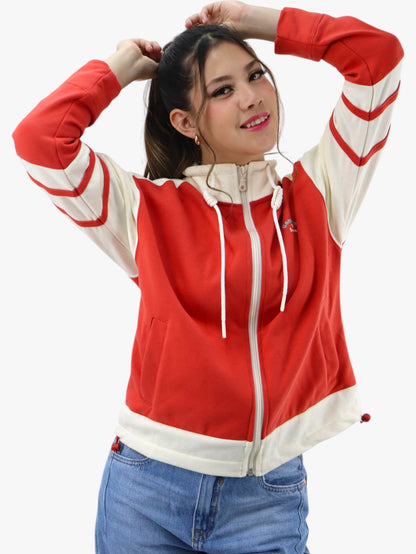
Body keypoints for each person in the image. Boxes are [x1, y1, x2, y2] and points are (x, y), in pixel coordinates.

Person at [13, 1, 403, 552]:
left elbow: (377, 58)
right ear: (185, 122)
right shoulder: (144, 211)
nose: (251, 97)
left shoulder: (321, 193)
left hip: (266, 498)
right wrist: (119, 68)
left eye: (255, 75)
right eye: (222, 90)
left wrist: (260, 23)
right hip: (144, 489)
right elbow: (40, 141)